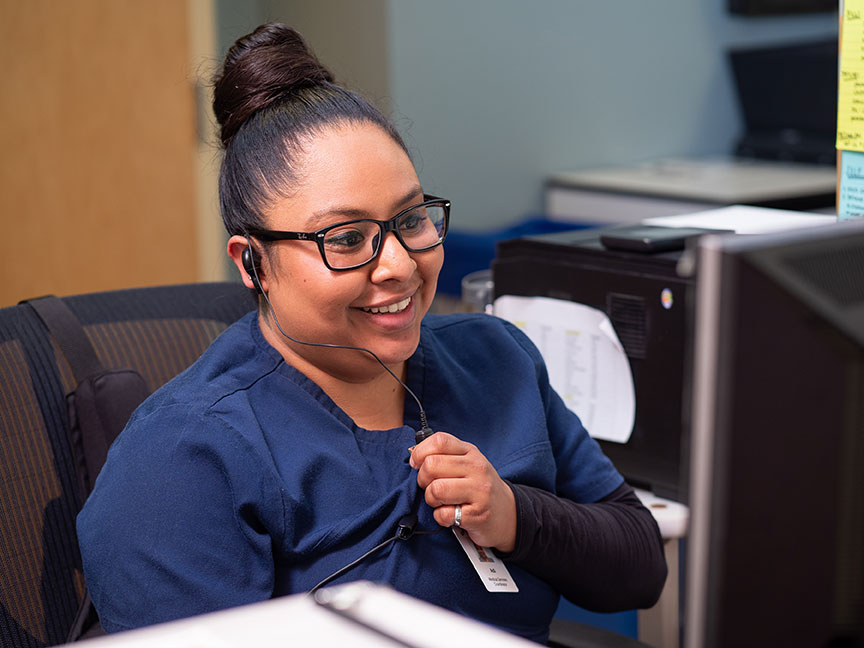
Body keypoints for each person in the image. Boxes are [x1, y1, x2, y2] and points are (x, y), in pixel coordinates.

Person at [77, 23, 666, 644]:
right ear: (253, 264)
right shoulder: (181, 460)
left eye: (411, 219)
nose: (401, 266)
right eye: (347, 239)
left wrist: (514, 514)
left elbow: (639, 569)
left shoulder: (498, 360)